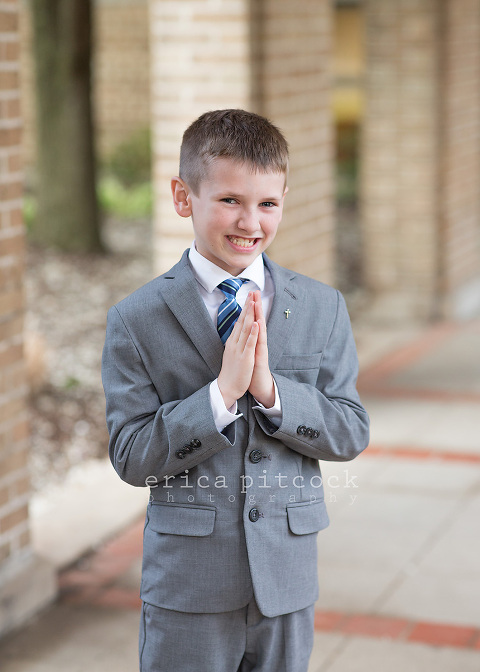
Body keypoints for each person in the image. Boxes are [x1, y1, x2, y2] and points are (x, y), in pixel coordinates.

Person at [101, 109, 369, 672]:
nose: (250, 221)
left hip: (286, 583)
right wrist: (220, 396)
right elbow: (131, 456)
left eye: (267, 203)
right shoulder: (136, 319)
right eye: (229, 200)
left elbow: (349, 430)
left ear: (284, 199)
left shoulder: (322, 306)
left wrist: (271, 392)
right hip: (188, 588)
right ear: (183, 197)